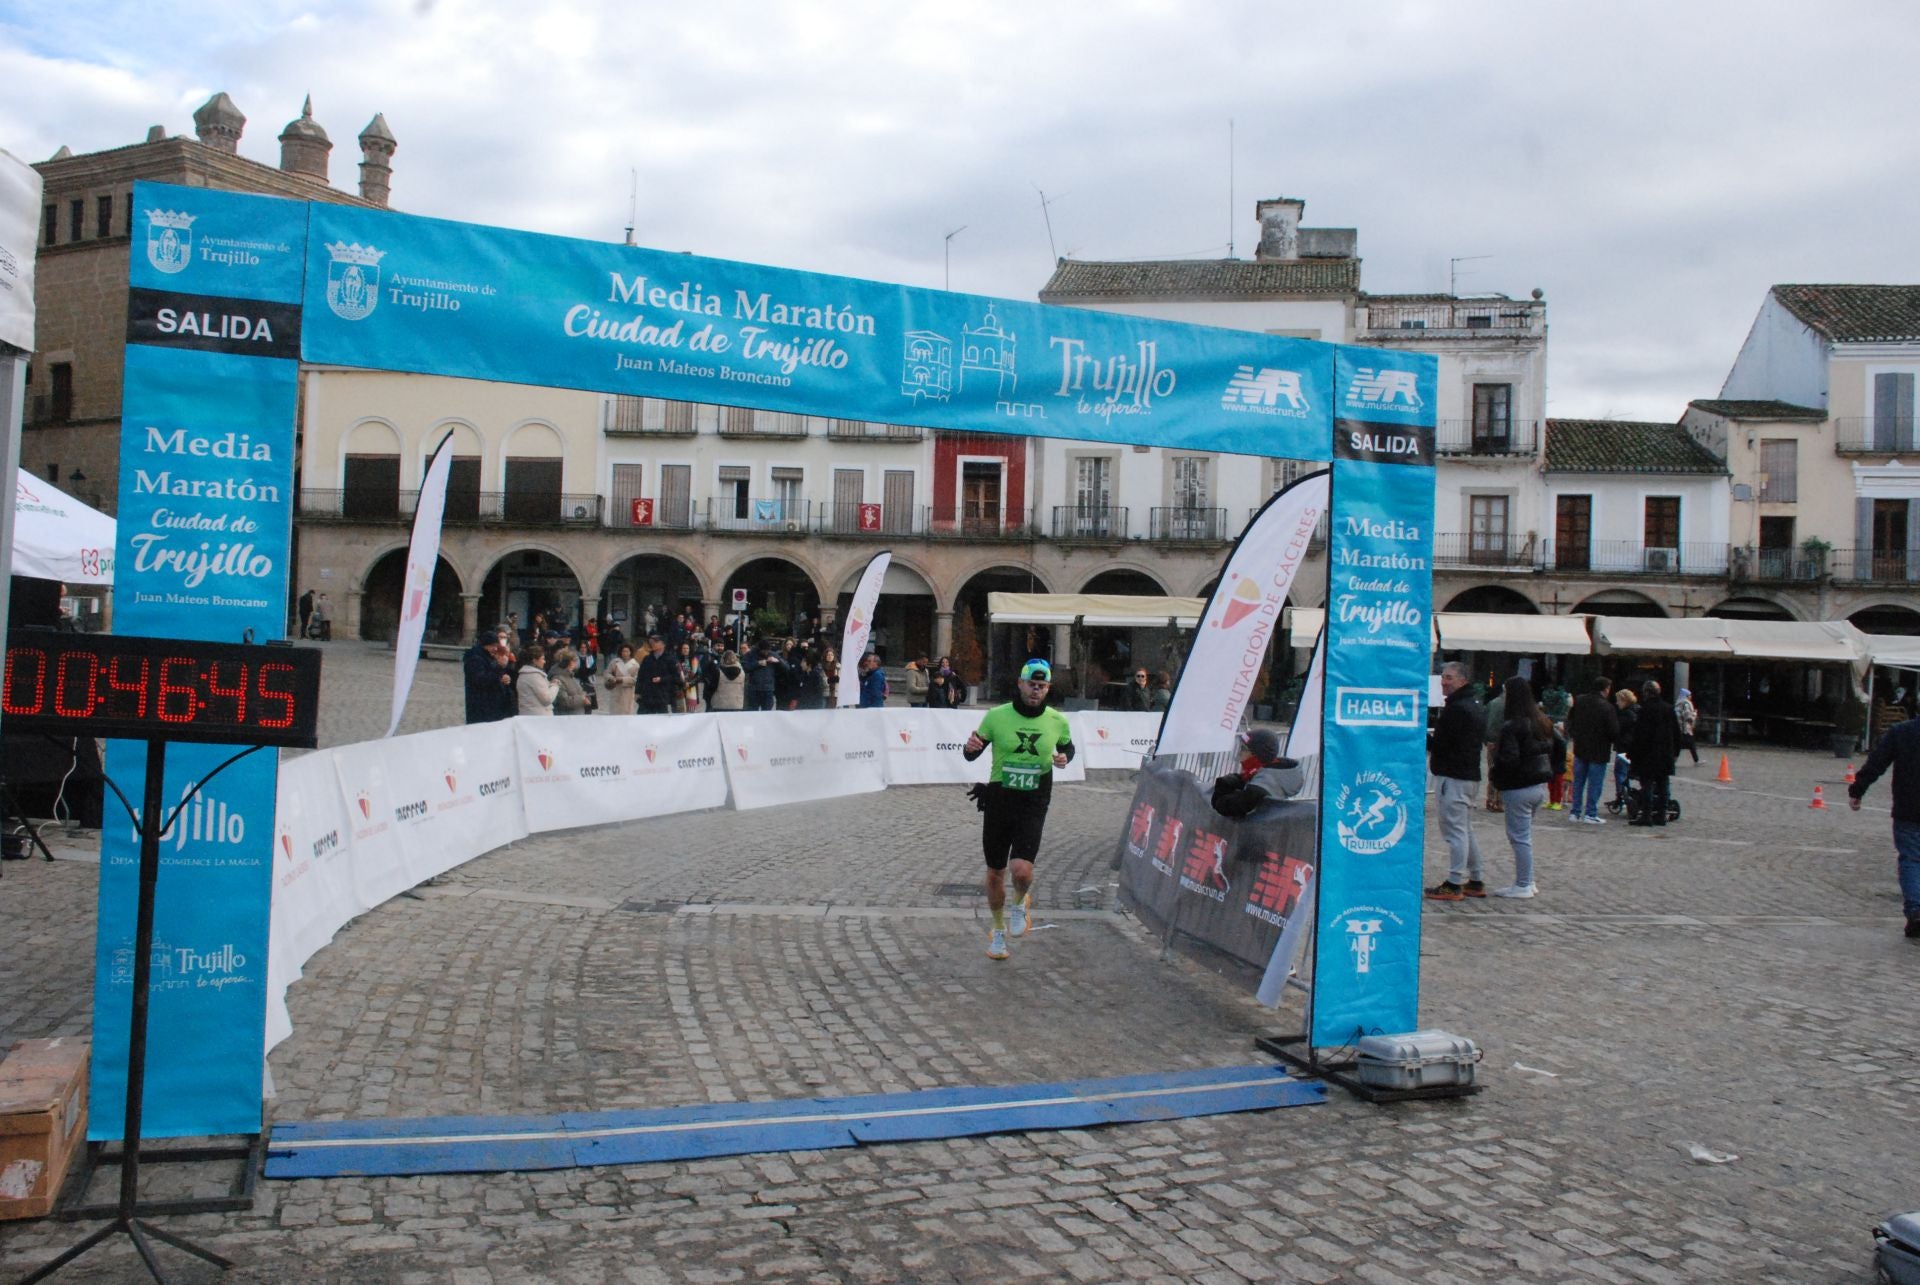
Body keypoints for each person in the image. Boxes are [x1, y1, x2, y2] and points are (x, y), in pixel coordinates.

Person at [963, 659, 1075, 960]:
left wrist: (1064, 757)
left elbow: (1068, 746)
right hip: (999, 799)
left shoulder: (1056, 720)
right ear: (1020, 684)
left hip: (1034, 801)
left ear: (1048, 688)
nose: (1036, 690)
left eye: (1042, 686)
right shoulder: (996, 716)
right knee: (995, 873)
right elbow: (972, 752)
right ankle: (998, 933)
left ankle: (1020, 901)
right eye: (1031, 684)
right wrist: (970, 747)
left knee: (1021, 870)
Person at [1846, 710, 1920, 939]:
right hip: (1908, 811)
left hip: (1908, 809)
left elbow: (1876, 762)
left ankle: (1916, 911)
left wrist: (1858, 789)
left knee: (1910, 859)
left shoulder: (1901, 732)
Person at [1488, 676, 1563, 898]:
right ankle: (1528, 880)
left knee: (1519, 837)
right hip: (1539, 784)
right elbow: (1560, 745)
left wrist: (1495, 771)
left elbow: (1509, 759)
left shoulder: (1512, 726)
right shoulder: (1541, 720)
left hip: (1519, 786)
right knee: (1524, 836)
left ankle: (1523, 883)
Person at [1425, 661, 1490, 900]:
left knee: (1455, 831)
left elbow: (1442, 744)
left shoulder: (1458, 709)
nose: (1444, 681)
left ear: (1462, 680)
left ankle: (1454, 882)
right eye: (1443, 677)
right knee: (1465, 829)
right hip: (1468, 775)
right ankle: (1475, 878)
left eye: (1449, 677)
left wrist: (1421, 736)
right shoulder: (1474, 705)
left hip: (1453, 776)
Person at [1210, 728, 1305, 818]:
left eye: (1243, 749)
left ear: (1257, 754)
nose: (1239, 753)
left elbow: (1232, 806)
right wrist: (1240, 780)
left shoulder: (1263, 785)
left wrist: (1221, 790)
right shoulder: (1269, 773)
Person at [1566, 676, 1618, 824]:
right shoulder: (1607, 707)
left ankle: (1575, 812)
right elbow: (1613, 731)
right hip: (1599, 749)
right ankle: (1590, 812)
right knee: (1595, 783)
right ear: (1605, 689)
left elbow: (1571, 720)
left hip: (1581, 747)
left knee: (1578, 782)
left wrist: (1575, 735)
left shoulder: (1580, 701)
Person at [1628, 680, 1679, 826]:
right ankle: (1661, 815)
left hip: (1648, 754)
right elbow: (1676, 733)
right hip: (1665, 754)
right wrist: (1675, 752)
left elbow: (1639, 735)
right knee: (1663, 785)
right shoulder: (1669, 709)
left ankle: (1646, 815)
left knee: (1647, 786)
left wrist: (1633, 754)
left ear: (1646, 693)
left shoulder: (1645, 710)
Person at [463, 631, 516, 724]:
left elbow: (496, 674)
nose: (495, 649)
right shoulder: (475, 658)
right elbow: (481, 679)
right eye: (493, 646)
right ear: (485, 645)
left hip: (493, 703)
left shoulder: (489, 656)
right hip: (481, 705)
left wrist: (504, 677)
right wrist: (499, 668)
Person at [1611, 688, 1640, 808]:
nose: (1617, 703)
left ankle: (1622, 795)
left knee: (1620, 772)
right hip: (1633, 746)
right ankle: (1626, 795)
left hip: (1624, 747)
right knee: (1628, 772)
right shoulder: (1637, 710)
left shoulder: (1625, 714)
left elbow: (1618, 730)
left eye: (1619, 700)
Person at [636, 634, 678, 715]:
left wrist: (662, 679)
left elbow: (675, 677)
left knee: (661, 721)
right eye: (652, 642)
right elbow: (640, 676)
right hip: (647, 695)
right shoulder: (647, 658)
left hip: (662, 696)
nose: (653, 643)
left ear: (663, 644)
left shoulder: (670, 659)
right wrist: (637, 692)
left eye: (656, 641)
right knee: (642, 719)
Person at [1482, 678, 1506, 812]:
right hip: (1501, 743)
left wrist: (1487, 740)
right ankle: (1498, 801)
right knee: (1502, 771)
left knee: (1492, 771)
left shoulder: (1492, 703)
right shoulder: (1508, 705)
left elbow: (1485, 721)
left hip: (1491, 742)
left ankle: (1490, 800)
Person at [743, 640, 783, 712]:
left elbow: (786, 668)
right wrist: (758, 664)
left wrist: (778, 661)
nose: (766, 652)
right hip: (754, 689)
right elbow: (745, 667)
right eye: (764, 651)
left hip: (768, 690)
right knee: (752, 713)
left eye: (767, 650)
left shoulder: (773, 654)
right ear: (760, 649)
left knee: (767, 714)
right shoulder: (750, 655)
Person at [516, 646, 557, 716]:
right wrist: (555, 685)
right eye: (543, 659)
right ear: (534, 660)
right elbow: (547, 699)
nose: (544, 662)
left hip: (529, 715)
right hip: (539, 718)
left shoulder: (523, 675)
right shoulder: (534, 676)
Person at [550, 648, 590, 716]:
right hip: (566, 718)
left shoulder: (571, 676)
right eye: (574, 660)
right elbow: (564, 701)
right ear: (569, 662)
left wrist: (585, 697)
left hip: (577, 715)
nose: (576, 663)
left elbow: (578, 692)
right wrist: (582, 699)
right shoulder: (558, 678)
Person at [602, 643, 639, 716]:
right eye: (623, 651)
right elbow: (607, 672)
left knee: (627, 712)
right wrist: (611, 678)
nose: (625, 653)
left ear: (630, 652)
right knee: (615, 712)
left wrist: (622, 679)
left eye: (627, 651)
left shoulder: (635, 664)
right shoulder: (615, 662)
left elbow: (636, 679)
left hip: (628, 691)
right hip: (616, 690)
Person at [1674, 687, 1701, 764]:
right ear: (1686, 696)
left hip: (1678, 727)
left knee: (1688, 744)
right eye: (1689, 695)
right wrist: (1694, 714)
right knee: (1687, 744)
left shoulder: (1678, 703)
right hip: (1685, 728)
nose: (1691, 697)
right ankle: (1696, 760)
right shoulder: (1686, 703)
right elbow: (1688, 717)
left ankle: (1696, 759)